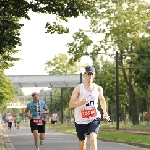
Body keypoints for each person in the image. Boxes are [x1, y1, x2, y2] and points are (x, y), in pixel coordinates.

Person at [69, 66, 110, 150]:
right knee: (82, 142)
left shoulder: (98, 88)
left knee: (93, 138)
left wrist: (105, 113)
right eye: (88, 74)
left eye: (92, 74)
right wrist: (80, 103)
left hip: (93, 117)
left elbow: (102, 100)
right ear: (84, 74)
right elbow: (70, 104)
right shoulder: (78, 88)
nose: (90, 76)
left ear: (94, 75)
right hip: (81, 119)